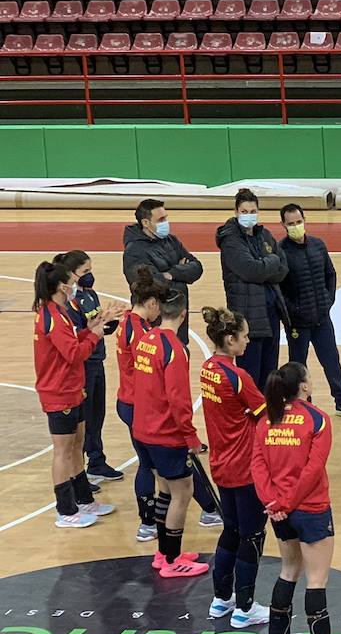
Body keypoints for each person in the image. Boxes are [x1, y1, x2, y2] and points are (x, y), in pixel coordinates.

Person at [252, 362, 341, 634]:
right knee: (316, 579)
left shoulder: (267, 419)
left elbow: (258, 465)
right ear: (303, 386)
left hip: (280, 512)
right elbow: (312, 470)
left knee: (288, 570)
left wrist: (273, 503)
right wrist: (287, 503)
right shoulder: (317, 420)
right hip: (311, 509)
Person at [200, 307, 271, 629]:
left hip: (221, 463)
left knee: (230, 530)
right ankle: (245, 607)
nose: (247, 341)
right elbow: (267, 414)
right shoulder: (237, 376)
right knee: (252, 535)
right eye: (243, 336)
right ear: (229, 339)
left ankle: (220, 599)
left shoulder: (208, 368)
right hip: (244, 467)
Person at [131, 286, 209, 577]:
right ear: (184, 313)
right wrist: (191, 437)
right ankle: (174, 560)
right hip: (166, 434)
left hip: (144, 431)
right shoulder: (174, 349)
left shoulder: (146, 340)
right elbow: (179, 399)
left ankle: (164, 553)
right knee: (182, 492)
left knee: (165, 489)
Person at [32, 259, 118, 528]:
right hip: (59, 391)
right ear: (60, 285)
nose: (74, 285)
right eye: (70, 281)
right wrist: (95, 336)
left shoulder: (60, 311)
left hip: (73, 387)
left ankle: (83, 498)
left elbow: (73, 341)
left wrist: (96, 325)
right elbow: (74, 353)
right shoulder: (51, 317)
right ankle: (65, 510)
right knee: (63, 451)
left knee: (77, 444)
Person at [277, 204, 341, 421]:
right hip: (298, 323)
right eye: (291, 224)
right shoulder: (281, 252)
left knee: (332, 360)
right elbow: (278, 288)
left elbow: (330, 274)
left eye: (298, 222)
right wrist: (293, 311)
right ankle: (302, 406)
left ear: (304, 219)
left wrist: (328, 300)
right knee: (298, 366)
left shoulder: (318, 245)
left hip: (322, 318)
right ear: (283, 225)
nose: (296, 226)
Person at [55, 250, 124, 486]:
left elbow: (97, 325)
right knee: (83, 421)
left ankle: (96, 462)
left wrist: (109, 321)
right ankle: (79, 471)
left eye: (90, 270)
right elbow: (78, 335)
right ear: (71, 274)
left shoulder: (91, 294)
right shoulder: (68, 303)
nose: (89, 276)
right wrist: (96, 328)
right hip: (83, 364)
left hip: (97, 360)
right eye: (85, 271)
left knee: (97, 415)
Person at [215, 188, 289, 390]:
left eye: (253, 211)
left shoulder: (265, 235)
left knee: (270, 374)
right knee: (250, 377)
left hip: (270, 314)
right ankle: (251, 418)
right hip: (247, 318)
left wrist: (265, 266)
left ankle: (268, 415)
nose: (249, 215)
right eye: (244, 211)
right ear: (236, 212)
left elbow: (283, 270)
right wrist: (270, 261)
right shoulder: (231, 240)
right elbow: (251, 270)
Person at [117, 267, 170, 541]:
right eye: (158, 307)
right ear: (151, 303)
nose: (159, 312)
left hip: (128, 401)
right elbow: (148, 372)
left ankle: (150, 520)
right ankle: (148, 523)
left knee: (148, 463)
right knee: (150, 465)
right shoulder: (140, 332)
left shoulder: (128, 321)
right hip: (139, 405)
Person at [123, 198, 203, 345]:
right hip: (154, 324)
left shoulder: (171, 241)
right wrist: (180, 273)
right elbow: (149, 283)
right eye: (160, 219)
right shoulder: (134, 251)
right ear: (146, 223)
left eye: (165, 218)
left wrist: (171, 274)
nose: (165, 222)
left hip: (177, 319)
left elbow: (197, 267)